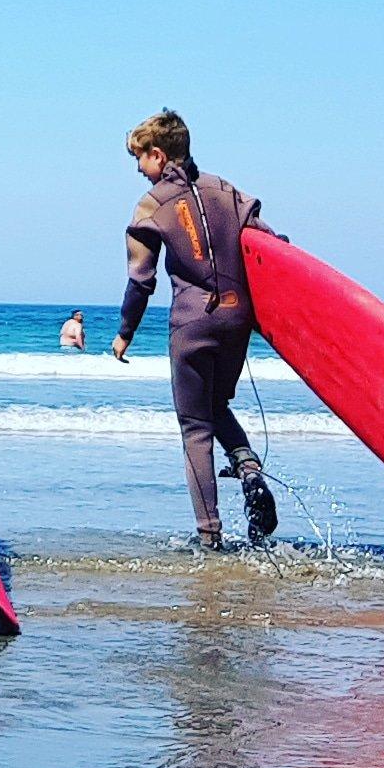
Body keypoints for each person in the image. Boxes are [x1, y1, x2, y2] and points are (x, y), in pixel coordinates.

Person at [109, 109, 278, 551]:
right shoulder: (227, 191)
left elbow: (140, 279)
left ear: (158, 154)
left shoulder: (151, 206)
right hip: (237, 319)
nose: (138, 169)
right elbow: (270, 247)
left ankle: (210, 537)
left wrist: (125, 332)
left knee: (194, 429)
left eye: (140, 158)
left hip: (192, 323)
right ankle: (248, 469)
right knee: (215, 403)